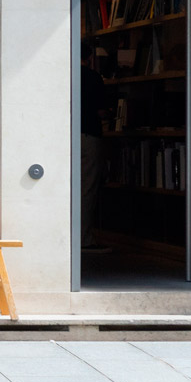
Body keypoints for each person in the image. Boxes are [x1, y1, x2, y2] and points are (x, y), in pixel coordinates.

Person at [80, 41, 110, 253]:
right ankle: (83, 238)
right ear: (90, 57)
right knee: (87, 187)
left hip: (66, 137)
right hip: (89, 134)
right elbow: (101, 111)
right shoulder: (92, 77)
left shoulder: (63, 75)